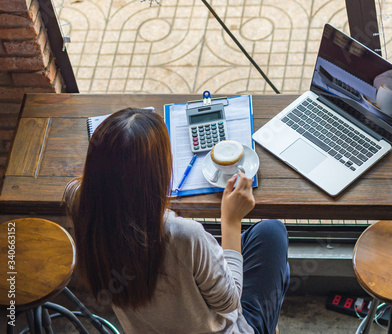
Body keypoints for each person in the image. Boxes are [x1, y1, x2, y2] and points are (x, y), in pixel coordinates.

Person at [64, 108, 290, 333]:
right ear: (157, 174)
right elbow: (230, 303)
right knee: (272, 233)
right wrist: (230, 220)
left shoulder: (80, 204)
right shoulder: (183, 235)